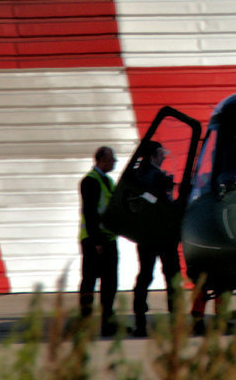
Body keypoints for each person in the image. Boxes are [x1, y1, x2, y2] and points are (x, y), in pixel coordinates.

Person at [127, 141, 182, 338]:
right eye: (161, 153)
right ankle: (176, 323)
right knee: (172, 278)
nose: (164, 156)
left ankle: (140, 323)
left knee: (144, 277)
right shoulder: (161, 178)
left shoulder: (133, 176)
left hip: (144, 236)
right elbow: (168, 206)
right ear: (152, 156)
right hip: (163, 236)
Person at [78, 145, 119, 333]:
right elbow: (90, 213)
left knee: (109, 284)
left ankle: (107, 322)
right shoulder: (90, 181)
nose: (114, 161)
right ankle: (85, 322)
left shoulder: (108, 181)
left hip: (108, 239)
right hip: (94, 241)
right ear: (101, 160)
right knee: (90, 281)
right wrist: (97, 242)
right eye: (111, 158)